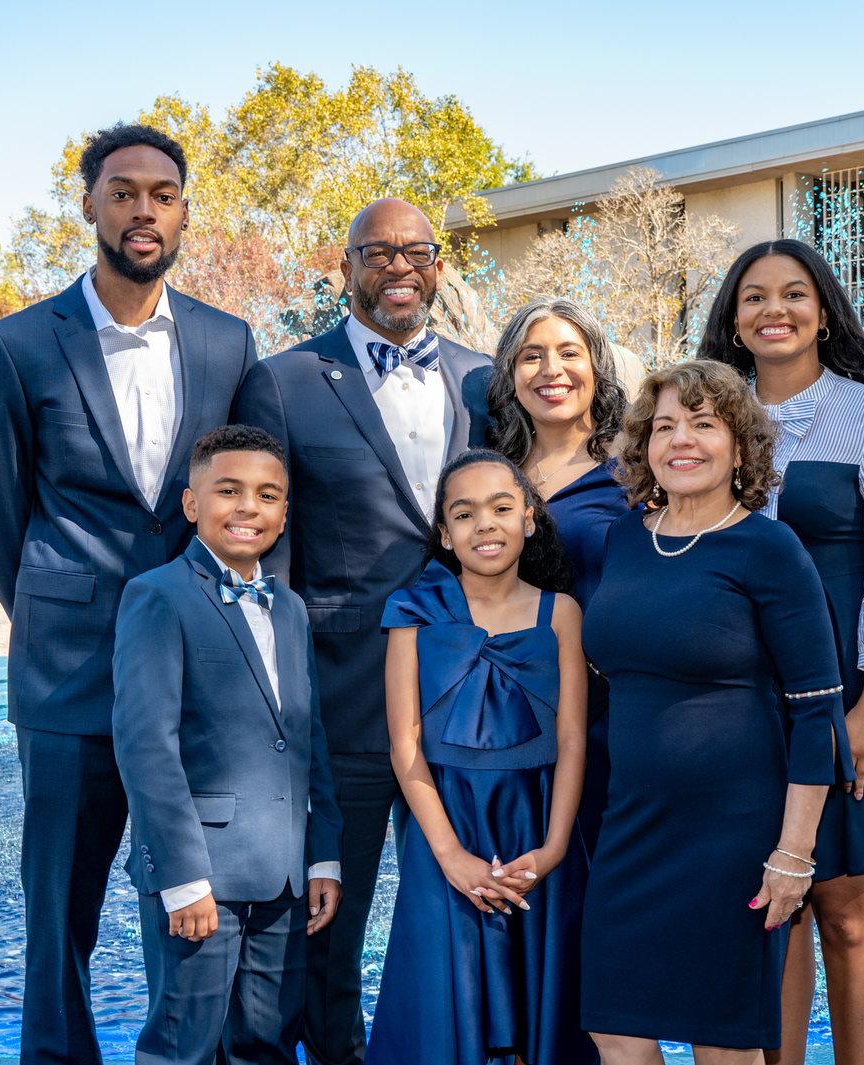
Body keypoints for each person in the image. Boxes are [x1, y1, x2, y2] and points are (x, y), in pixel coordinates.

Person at [0, 123, 258, 1065]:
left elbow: (239, 491)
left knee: (191, 896)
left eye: (162, 195)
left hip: (198, 674)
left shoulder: (227, 340)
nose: (143, 210)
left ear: (182, 212)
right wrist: (56, 611)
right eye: (123, 192)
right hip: (67, 674)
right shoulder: (14, 346)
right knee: (61, 909)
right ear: (89, 204)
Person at [234, 198, 492, 1065]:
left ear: (440, 265)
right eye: (376, 253)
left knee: (463, 905)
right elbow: (269, 546)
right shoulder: (285, 379)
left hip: (466, 697)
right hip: (340, 696)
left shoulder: (484, 378)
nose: (398, 268)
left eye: (416, 252)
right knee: (328, 917)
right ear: (344, 266)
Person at [698, 240, 864, 1065]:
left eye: (794, 294)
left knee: (845, 906)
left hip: (852, 685)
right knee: (775, 908)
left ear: (823, 310)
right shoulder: (706, 414)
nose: (774, 310)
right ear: (733, 320)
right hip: (740, 697)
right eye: (754, 297)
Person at [580, 360, 854, 1065]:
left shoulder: (770, 548)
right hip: (632, 824)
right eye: (665, 425)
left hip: (733, 833)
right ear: (643, 445)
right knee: (616, 1029)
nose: (683, 440)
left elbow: (817, 713)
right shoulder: (625, 539)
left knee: (723, 1046)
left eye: (704, 424)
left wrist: (794, 854)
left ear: (740, 444)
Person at [112, 425, 343, 1065]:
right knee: (180, 1047)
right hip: (202, 874)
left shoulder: (290, 608)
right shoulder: (157, 597)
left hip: (287, 876)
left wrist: (323, 856)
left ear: (285, 511)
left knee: (266, 1044)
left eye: (268, 495)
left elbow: (306, 737)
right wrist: (181, 876)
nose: (249, 508)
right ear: (192, 505)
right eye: (229, 491)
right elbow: (145, 746)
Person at [367, 450, 597, 1065]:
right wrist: (449, 855)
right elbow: (405, 744)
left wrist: (551, 848)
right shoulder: (413, 614)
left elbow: (573, 738)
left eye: (500, 508)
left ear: (529, 517)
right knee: (449, 998)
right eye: (464, 514)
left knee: (543, 1003)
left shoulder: (562, 612)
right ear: (444, 534)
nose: (484, 525)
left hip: (539, 824)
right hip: (448, 830)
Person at [486, 298, 628, 852]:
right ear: (509, 374)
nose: (551, 371)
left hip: (608, 715)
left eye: (570, 353)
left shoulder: (641, 471)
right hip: (506, 713)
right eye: (531, 356)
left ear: (597, 367)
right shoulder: (487, 469)